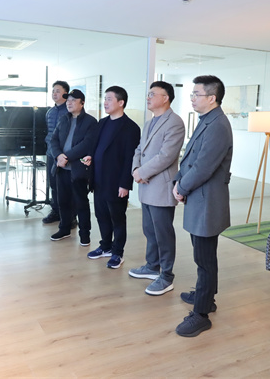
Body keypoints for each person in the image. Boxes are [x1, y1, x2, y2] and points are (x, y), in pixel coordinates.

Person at [172, 75, 233, 337]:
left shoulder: (218, 125)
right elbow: (189, 158)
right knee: (202, 255)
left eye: (196, 94)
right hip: (199, 197)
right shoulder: (207, 120)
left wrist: (181, 187)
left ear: (212, 98)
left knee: (205, 259)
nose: (192, 98)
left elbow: (203, 167)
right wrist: (179, 181)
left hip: (207, 201)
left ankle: (201, 314)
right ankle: (205, 296)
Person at [129, 81, 185, 295]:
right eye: (148, 94)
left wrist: (142, 173)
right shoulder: (149, 122)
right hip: (146, 185)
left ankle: (167, 275)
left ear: (166, 98)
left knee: (163, 234)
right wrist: (136, 169)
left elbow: (166, 156)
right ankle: (152, 266)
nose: (148, 97)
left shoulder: (175, 122)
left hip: (160, 186)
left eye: (153, 94)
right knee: (149, 230)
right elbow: (139, 149)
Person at [82, 86, 141, 269]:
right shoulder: (102, 123)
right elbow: (96, 147)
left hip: (116, 182)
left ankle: (117, 252)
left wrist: (125, 184)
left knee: (117, 219)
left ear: (121, 102)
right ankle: (105, 246)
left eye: (109, 99)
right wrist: (90, 156)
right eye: (105, 99)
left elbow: (130, 158)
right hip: (98, 179)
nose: (105, 103)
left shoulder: (130, 128)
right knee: (101, 215)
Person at [49, 89, 98, 245]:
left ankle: (85, 234)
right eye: (68, 100)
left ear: (82, 103)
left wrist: (67, 157)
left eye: (73, 100)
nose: (69, 103)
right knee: (62, 201)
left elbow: (87, 144)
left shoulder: (90, 121)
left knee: (80, 202)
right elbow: (53, 140)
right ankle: (64, 229)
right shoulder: (63, 119)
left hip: (78, 169)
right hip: (61, 168)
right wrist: (58, 156)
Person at [42, 80, 69, 224]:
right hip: (50, 154)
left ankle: (70, 216)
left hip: (65, 155)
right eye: (53, 91)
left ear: (66, 93)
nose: (54, 93)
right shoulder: (50, 112)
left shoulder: (69, 111)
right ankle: (56, 211)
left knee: (66, 186)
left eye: (58, 91)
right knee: (53, 184)